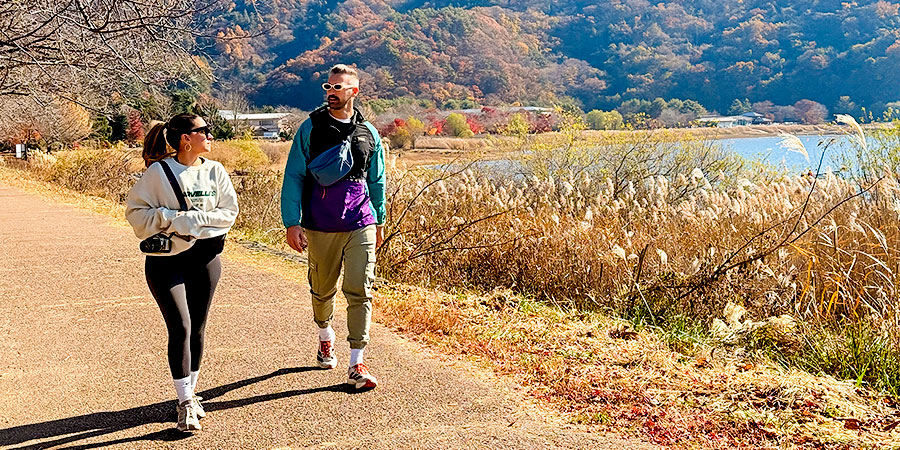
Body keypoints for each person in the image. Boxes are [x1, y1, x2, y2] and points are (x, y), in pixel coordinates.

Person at [125, 114, 239, 432]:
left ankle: (191, 391)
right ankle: (184, 401)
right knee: (181, 327)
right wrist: (171, 217)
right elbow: (135, 214)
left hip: (206, 257)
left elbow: (229, 213)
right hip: (166, 261)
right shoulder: (158, 173)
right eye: (204, 131)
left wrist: (193, 222)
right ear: (186, 138)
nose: (210, 135)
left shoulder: (215, 171)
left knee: (199, 328)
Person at [281, 64, 386, 390]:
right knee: (322, 289)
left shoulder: (368, 132)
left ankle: (357, 362)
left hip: (361, 221)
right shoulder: (310, 129)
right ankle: (325, 336)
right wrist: (292, 222)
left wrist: (379, 219)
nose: (331, 91)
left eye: (338, 87)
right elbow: (294, 175)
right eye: (328, 86)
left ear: (353, 92)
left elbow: (377, 179)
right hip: (320, 224)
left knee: (360, 289)